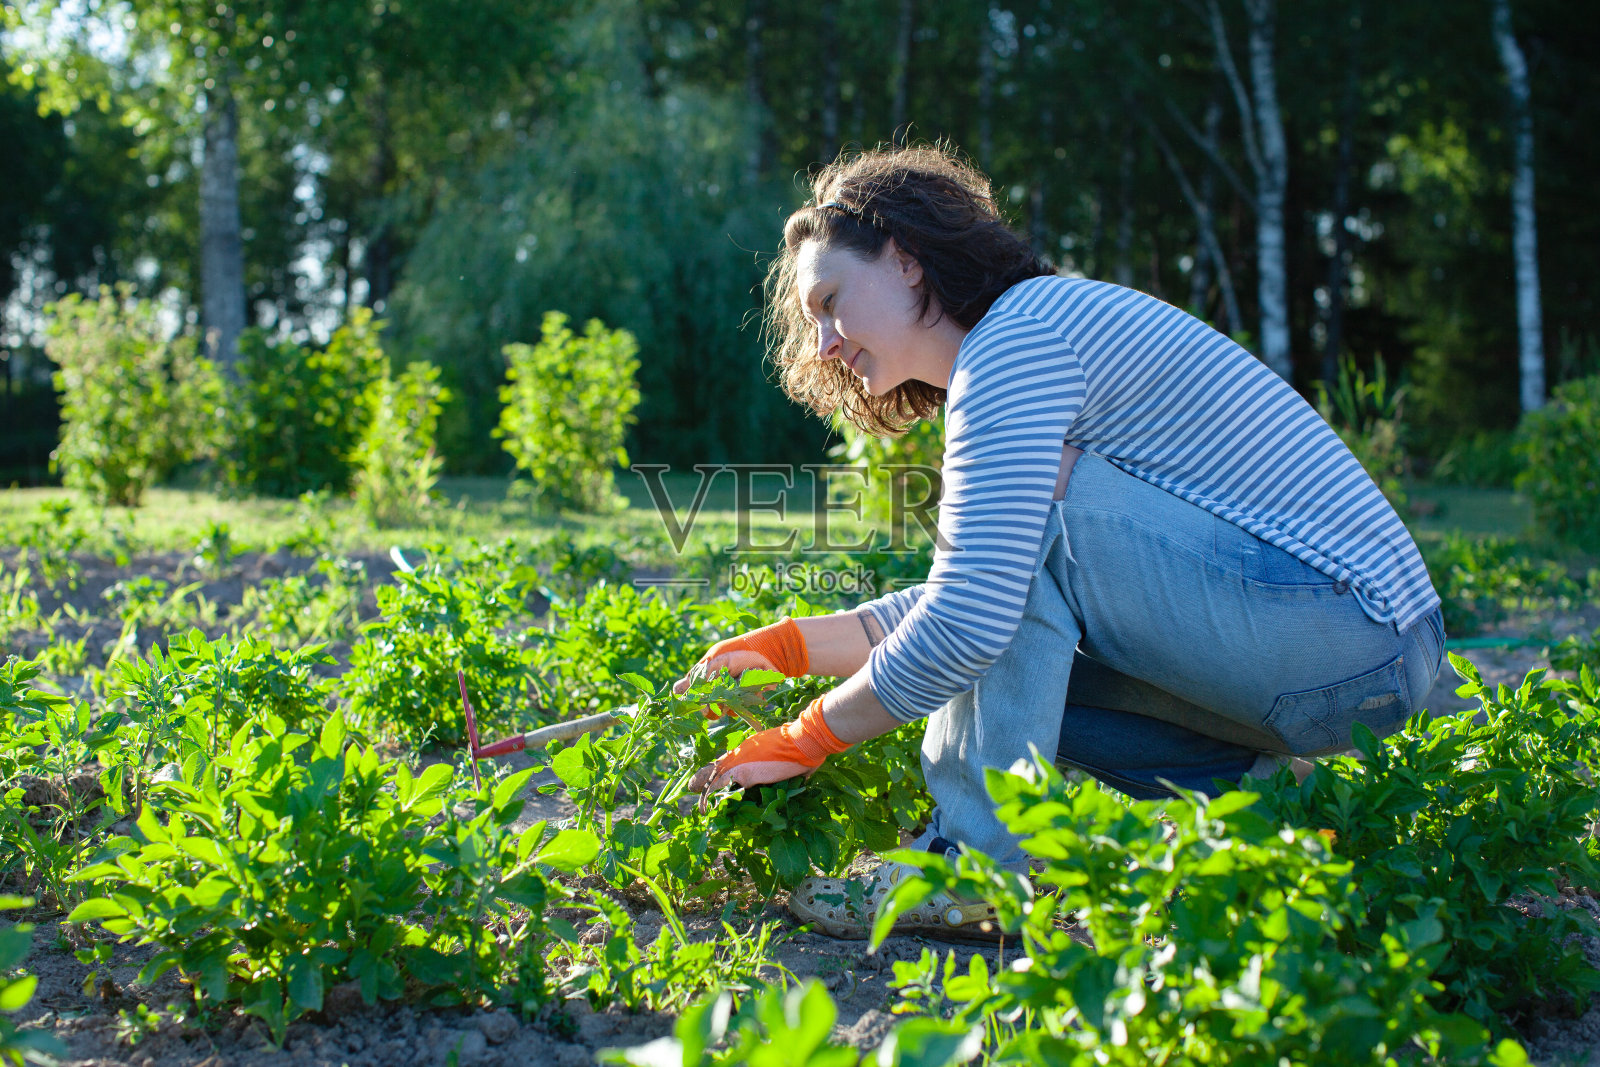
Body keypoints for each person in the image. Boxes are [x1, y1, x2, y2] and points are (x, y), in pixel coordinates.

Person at [673, 144, 1446, 940]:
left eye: (831, 300)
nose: (827, 340)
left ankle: (962, 868)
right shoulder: (1030, 337)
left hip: (1344, 630)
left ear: (905, 260)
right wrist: (793, 648)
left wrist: (808, 737)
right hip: (1351, 665)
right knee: (1031, 675)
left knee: (1001, 590)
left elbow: (972, 615)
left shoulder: (1015, 341)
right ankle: (1283, 806)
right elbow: (985, 596)